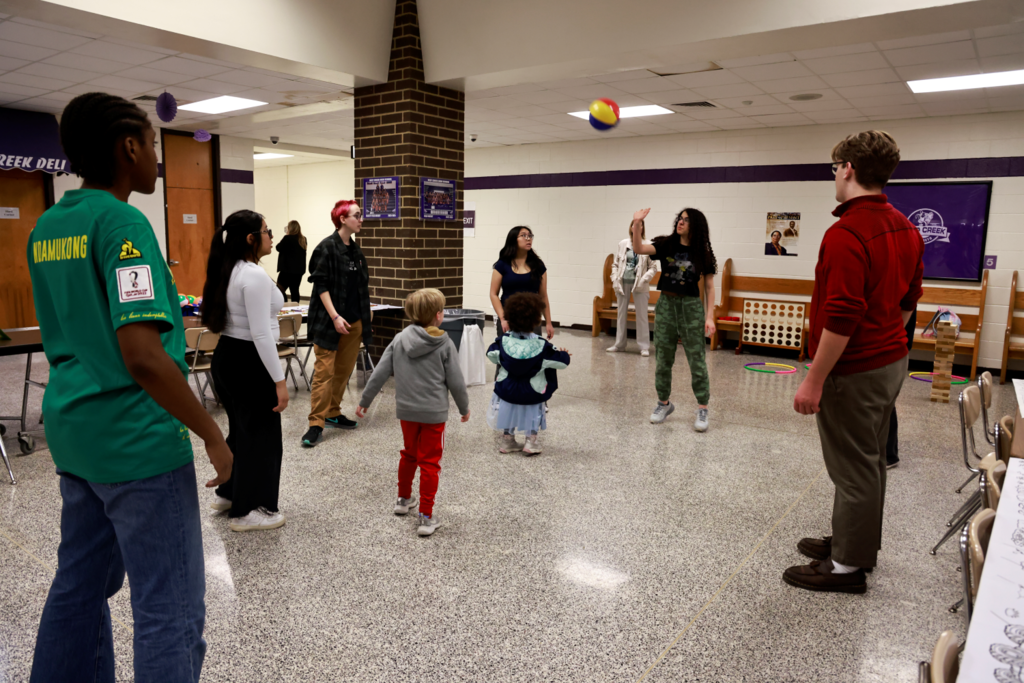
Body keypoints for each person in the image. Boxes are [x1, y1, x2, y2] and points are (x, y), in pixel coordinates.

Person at [26, 92, 232, 683]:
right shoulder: (123, 222)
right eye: (154, 145)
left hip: (76, 434)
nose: (158, 162)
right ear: (130, 147)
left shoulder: (50, 225)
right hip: (137, 443)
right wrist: (211, 432)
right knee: (168, 608)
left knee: (78, 590)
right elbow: (142, 356)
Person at [786, 131, 924, 594]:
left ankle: (847, 567)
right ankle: (853, 540)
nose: (835, 175)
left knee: (854, 467)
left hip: (856, 369)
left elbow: (842, 316)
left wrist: (814, 380)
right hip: (891, 361)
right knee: (870, 460)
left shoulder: (846, 232)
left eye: (834, 168)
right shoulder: (906, 227)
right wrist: (886, 339)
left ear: (847, 168)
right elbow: (908, 301)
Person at [356, 288, 470, 537]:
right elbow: (457, 382)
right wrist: (464, 408)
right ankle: (426, 517)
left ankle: (403, 499)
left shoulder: (399, 339)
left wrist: (365, 400)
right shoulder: (445, 343)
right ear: (439, 316)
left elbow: (380, 373)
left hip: (406, 412)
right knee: (430, 463)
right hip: (434, 414)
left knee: (408, 454)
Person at [201, 210, 288, 532]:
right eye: (267, 231)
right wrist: (279, 381)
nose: (272, 236)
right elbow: (261, 333)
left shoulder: (231, 267)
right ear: (252, 238)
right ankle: (248, 509)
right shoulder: (251, 274)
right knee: (262, 438)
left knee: (241, 431)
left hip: (229, 356)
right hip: (249, 360)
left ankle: (230, 492)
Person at [630, 207, 717, 431]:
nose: (681, 222)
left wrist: (709, 317)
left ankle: (703, 408)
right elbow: (639, 248)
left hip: (691, 307)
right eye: (680, 218)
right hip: (667, 305)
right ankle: (663, 404)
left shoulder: (703, 253)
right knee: (663, 358)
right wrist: (637, 223)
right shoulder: (666, 244)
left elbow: (709, 286)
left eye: (686, 220)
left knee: (696, 359)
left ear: (695, 225)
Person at [302, 199, 373, 447]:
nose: (361, 219)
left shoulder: (355, 251)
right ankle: (315, 424)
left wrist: (365, 314)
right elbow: (320, 285)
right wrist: (335, 316)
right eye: (357, 215)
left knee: (343, 372)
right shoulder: (326, 248)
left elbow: (360, 286)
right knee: (324, 374)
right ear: (343, 219)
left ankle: (333, 412)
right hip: (330, 322)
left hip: (354, 322)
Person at [486, 292, 571, 455]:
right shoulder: (542, 346)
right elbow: (561, 363)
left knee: (509, 409)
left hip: (507, 391)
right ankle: (530, 442)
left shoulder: (502, 342)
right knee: (533, 410)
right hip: (532, 392)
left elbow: (491, 355)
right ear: (536, 319)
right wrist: (564, 354)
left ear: (509, 317)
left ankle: (507, 441)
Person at [490, 226, 555, 340]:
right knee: (507, 353)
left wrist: (548, 322)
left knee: (532, 354)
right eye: (524, 235)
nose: (528, 238)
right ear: (513, 239)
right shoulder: (502, 265)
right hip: (509, 318)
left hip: (532, 320)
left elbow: (543, 296)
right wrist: (502, 318)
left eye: (530, 236)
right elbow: (493, 294)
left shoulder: (538, 265)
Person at [607, 219, 659, 356]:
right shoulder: (623, 244)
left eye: (639, 225)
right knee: (621, 314)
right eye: (633, 224)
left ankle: (644, 346)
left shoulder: (648, 245)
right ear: (630, 227)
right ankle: (619, 344)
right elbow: (616, 264)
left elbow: (653, 267)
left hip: (640, 284)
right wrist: (614, 279)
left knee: (642, 315)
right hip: (623, 282)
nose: (636, 227)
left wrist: (644, 280)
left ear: (642, 228)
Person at [885, 309, 916, 469]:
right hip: (894, 347)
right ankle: (886, 453)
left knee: (885, 402)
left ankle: (889, 455)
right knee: (885, 402)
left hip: (892, 350)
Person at [275, 219, 307, 303]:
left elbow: (278, 247)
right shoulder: (303, 239)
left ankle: (284, 305)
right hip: (298, 272)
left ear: (290, 228)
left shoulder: (287, 238)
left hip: (286, 271)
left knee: (279, 290)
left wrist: (287, 235)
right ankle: (296, 309)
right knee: (295, 291)